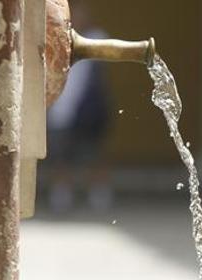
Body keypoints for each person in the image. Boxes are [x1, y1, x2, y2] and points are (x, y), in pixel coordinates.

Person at [45, 2, 112, 213]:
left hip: (89, 111)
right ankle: (61, 194)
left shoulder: (96, 38)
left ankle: (98, 194)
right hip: (61, 110)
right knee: (60, 155)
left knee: (92, 153)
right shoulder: (55, 39)